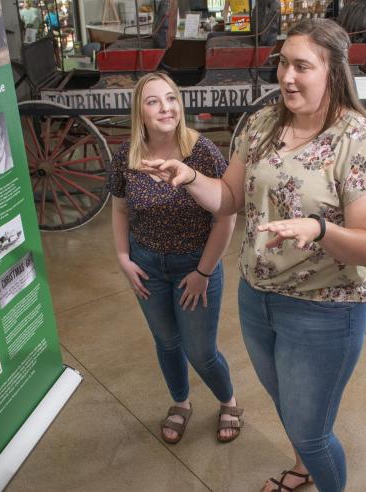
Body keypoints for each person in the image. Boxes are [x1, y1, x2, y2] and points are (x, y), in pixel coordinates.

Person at [142, 19, 366, 492]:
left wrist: (319, 228)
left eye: (302, 66)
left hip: (324, 309)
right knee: (286, 405)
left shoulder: (359, 142)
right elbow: (230, 199)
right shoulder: (260, 124)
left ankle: (314, 468)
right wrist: (190, 177)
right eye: (283, 63)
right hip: (257, 299)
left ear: (333, 72)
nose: (287, 77)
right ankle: (301, 472)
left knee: (311, 432)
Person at [108, 72, 243, 445]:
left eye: (171, 98)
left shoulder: (202, 153)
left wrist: (204, 271)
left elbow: (226, 217)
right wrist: (123, 256)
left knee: (200, 350)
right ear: (140, 111)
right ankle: (181, 404)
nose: (165, 108)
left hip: (194, 265)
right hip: (146, 265)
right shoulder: (126, 156)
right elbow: (120, 211)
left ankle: (228, 401)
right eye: (153, 101)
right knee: (166, 342)